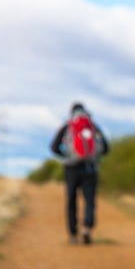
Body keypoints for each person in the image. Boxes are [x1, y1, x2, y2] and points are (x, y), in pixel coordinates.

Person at [51, 102, 109, 245]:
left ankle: (73, 234)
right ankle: (87, 228)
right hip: (90, 168)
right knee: (89, 200)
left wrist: (66, 155)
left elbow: (54, 147)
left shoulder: (67, 126)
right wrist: (95, 158)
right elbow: (106, 148)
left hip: (71, 168)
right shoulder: (93, 127)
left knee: (71, 201)